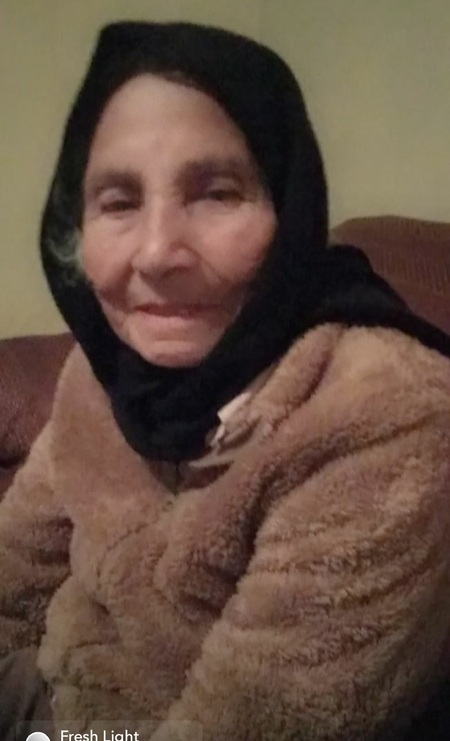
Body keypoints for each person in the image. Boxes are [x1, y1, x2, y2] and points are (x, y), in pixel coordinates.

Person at [0, 20, 450, 741]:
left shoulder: (383, 413)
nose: (157, 253)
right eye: (118, 201)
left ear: (290, 208)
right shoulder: (101, 373)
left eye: (215, 192)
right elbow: (14, 573)